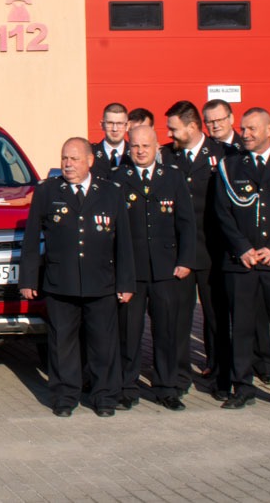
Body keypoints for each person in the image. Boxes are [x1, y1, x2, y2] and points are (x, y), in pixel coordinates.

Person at [20, 138, 135, 417]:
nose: (68, 165)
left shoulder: (110, 192)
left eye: (74, 159)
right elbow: (32, 238)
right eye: (64, 159)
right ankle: (64, 396)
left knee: (103, 344)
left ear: (90, 161)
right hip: (61, 282)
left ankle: (104, 396)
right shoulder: (47, 191)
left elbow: (123, 242)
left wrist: (125, 282)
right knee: (62, 344)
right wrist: (28, 279)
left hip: (101, 282)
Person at [213, 108, 270, 411]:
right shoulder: (230, 166)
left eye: (253, 128)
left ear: (269, 129)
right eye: (243, 129)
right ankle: (242, 387)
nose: (246, 134)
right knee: (241, 327)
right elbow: (222, 212)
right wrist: (241, 248)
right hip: (241, 261)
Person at [113, 126, 195, 411]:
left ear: (157, 147)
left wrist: (185, 260)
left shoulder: (172, 177)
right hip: (132, 272)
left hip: (166, 270)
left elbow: (186, 222)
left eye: (146, 146)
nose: (140, 151)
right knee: (129, 332)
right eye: (135, 146)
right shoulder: (117, 179)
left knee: (167, 332)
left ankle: (166, 388)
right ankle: (126, 387)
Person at [161, 100, 233, 398]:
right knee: (178, 318)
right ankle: (179, 377)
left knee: (217, 318)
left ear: (192, 127)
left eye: (174, 129)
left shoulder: (224, 154)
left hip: (211, 251)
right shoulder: (166, 156)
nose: (169, 134)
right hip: (178, 254)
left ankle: (220, 376)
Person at [91, 103, 131, 180]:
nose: (115, 129)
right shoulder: (90, 153)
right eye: (110, 123)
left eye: (119, 123)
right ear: (102, 125)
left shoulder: (135, 154)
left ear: (127, 126)